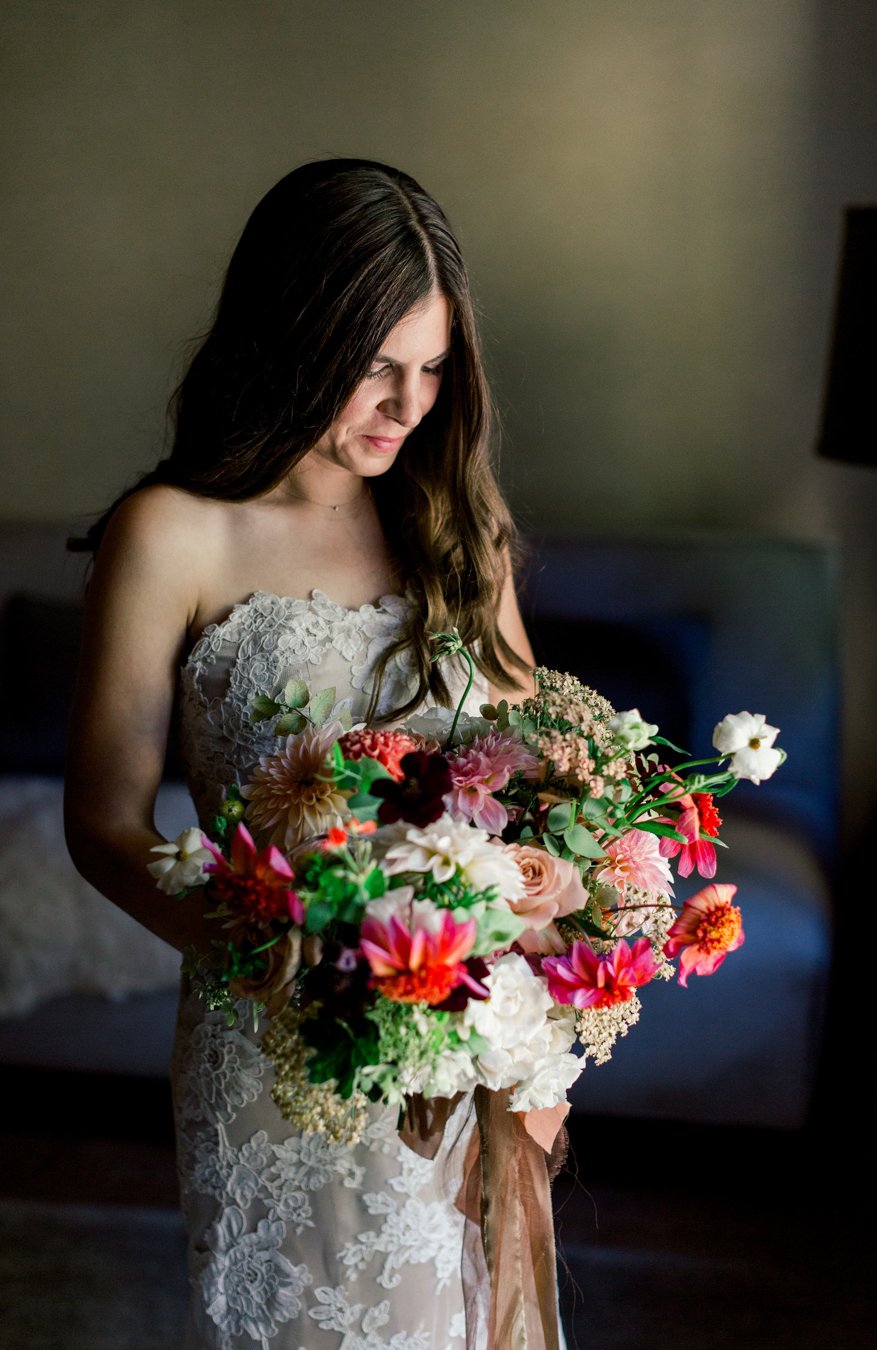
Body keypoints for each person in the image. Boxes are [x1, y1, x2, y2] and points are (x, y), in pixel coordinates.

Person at [65, 158, 537, 1349]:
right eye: (375, 367)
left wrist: (566, 899)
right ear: (294, 336)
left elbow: (536, 763)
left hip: (473, 1039)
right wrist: (281, 951)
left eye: (431, 370)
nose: (406, 404)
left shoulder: (451, 525)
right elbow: (105, 824)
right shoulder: (172, 535)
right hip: (281, 1051)